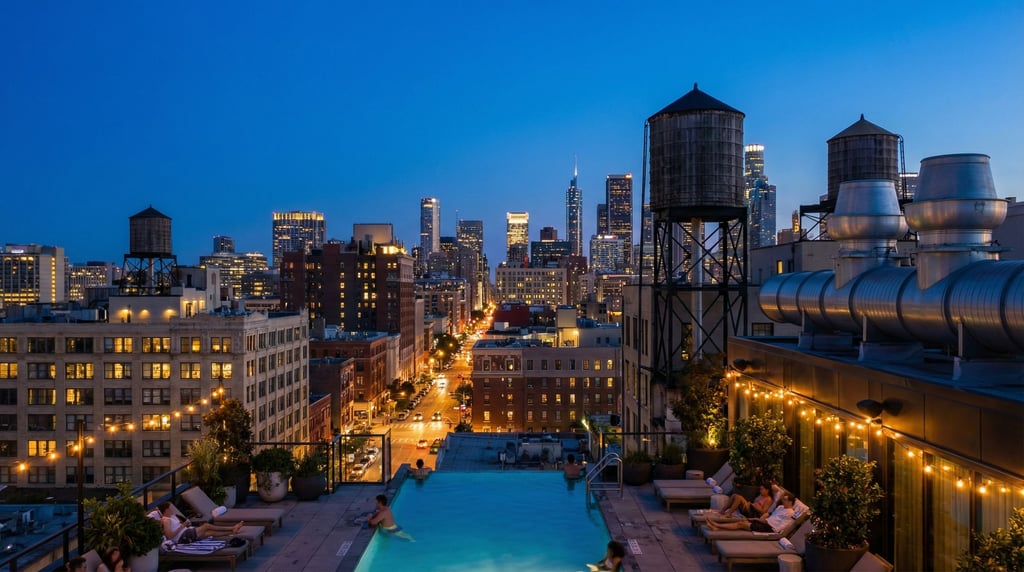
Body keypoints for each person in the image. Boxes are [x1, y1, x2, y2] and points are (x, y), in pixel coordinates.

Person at [157, 501, 244, 544]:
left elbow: (178, 526)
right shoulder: (166, 520)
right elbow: (169, 536)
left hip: (186, 533)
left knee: (210, 533)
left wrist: (185, 524)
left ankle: (232, 531)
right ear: (166, 510)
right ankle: (232, 528)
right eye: (170, 508)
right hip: (183, 537)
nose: (172, 510)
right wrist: (182, 526)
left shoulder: (172, 517)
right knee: (206, 526)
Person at [706, 492, 796, 533]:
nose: (783, 501)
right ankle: (717, 527)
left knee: (741, 524)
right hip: (765, 522)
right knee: (741, 522)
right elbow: (770, 514)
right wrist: (764, 516)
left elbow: (778, 526)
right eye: (783, 499)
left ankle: (717, 525)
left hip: (769, 527)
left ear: (790, 502)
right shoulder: (781, 507)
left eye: (785, 500)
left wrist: (759, 519)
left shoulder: (790, 513)